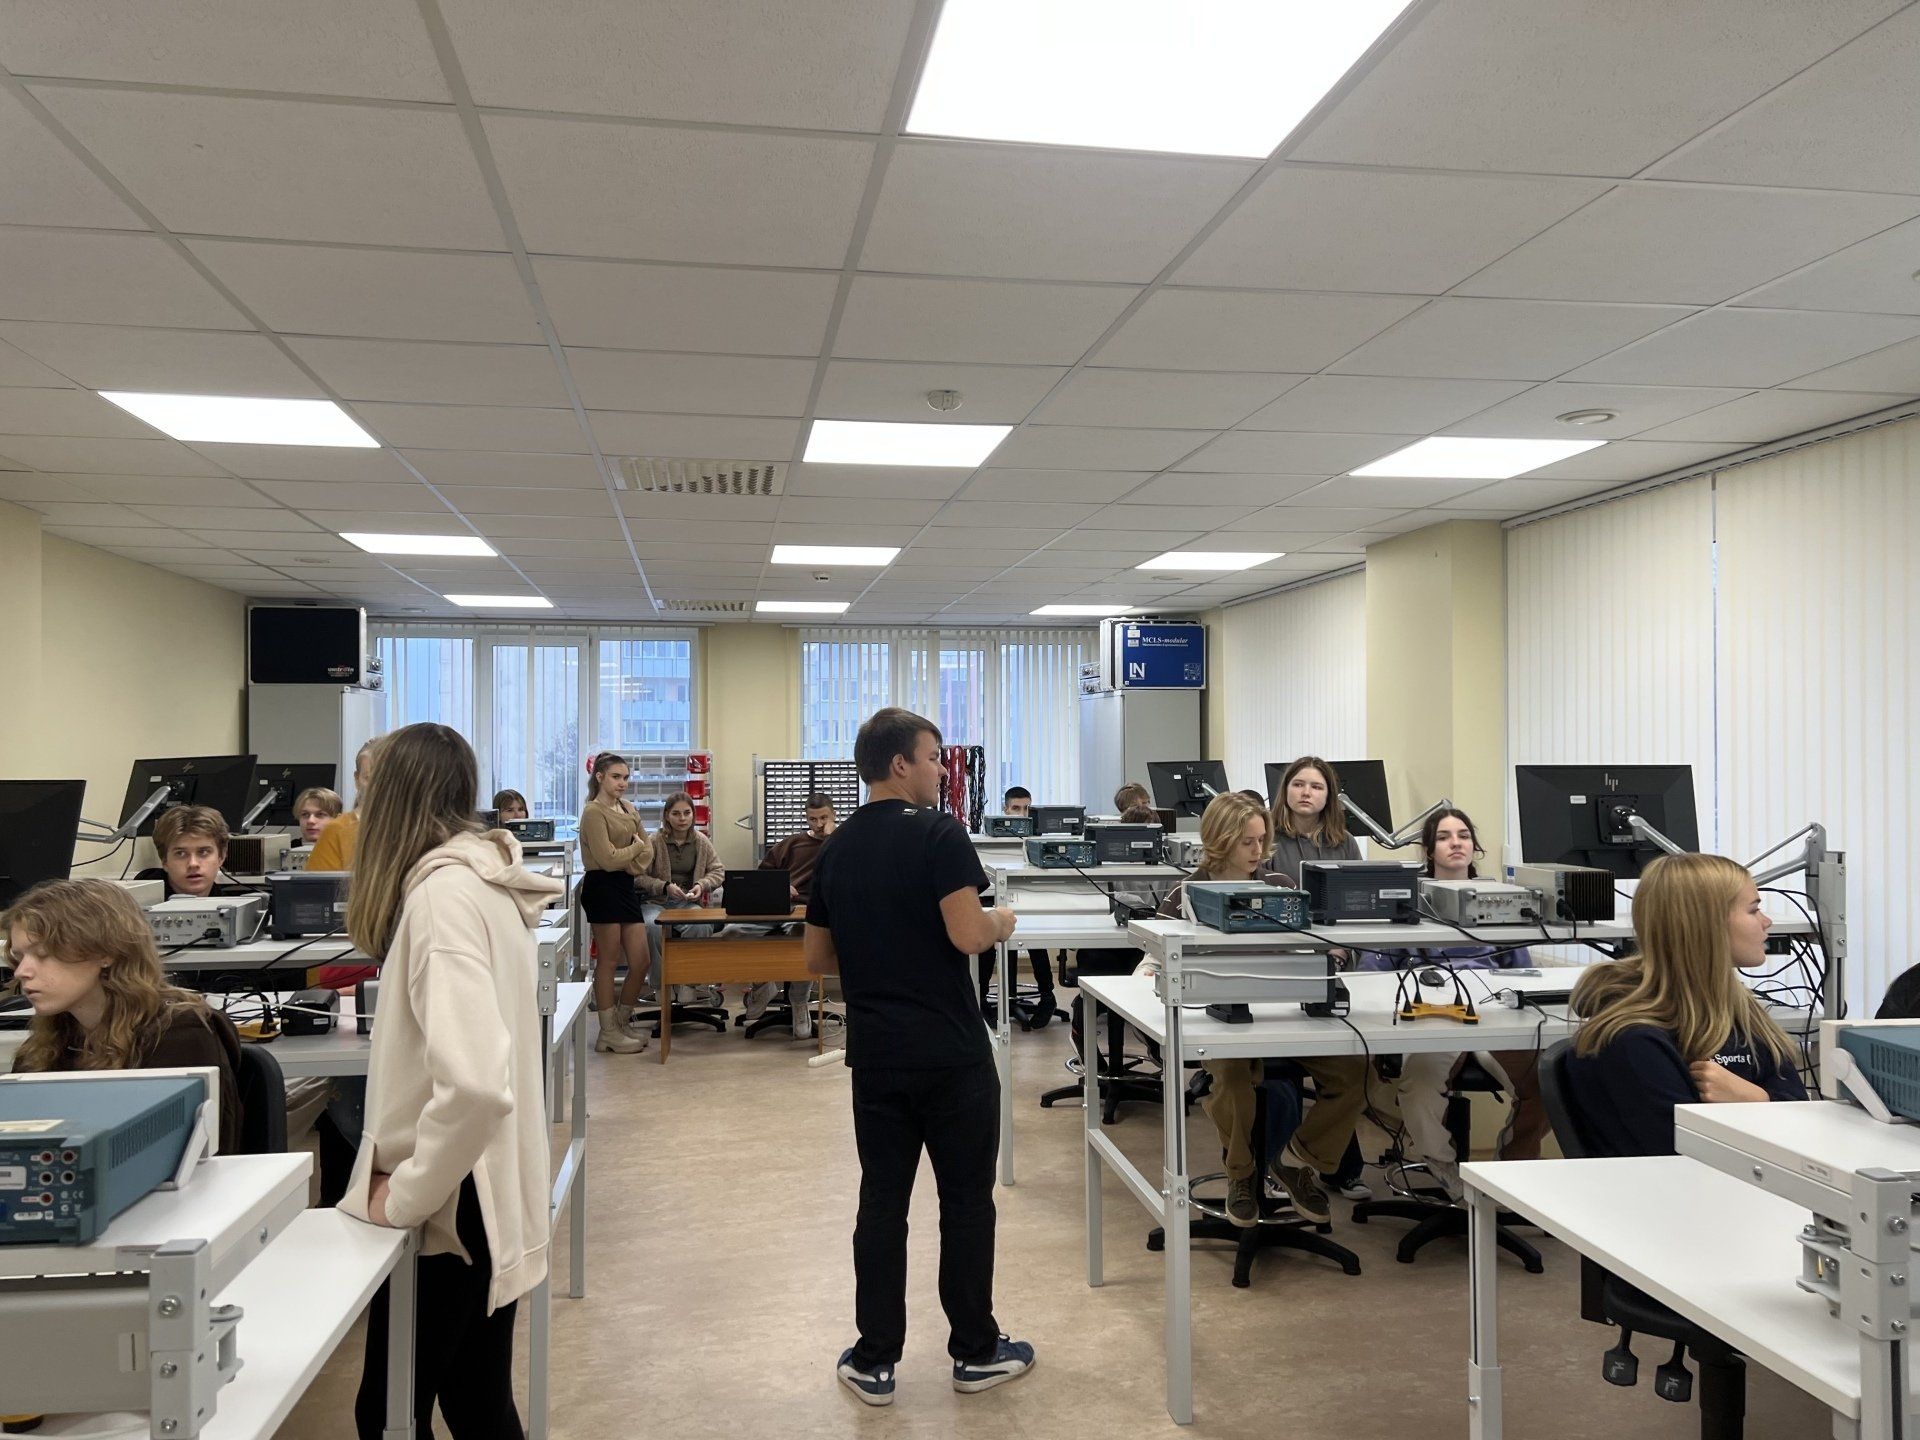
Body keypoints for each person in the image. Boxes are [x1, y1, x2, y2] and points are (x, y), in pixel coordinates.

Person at [336, 722, 559, 1440]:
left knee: (391, 1413)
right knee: (475, 1402)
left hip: (454, 1204)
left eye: (366, 789)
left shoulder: (443, 899)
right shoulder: (480, 884)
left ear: (392, 799)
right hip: (481, 1190)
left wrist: (407, 1195)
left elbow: (474, 1084)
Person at [805, 708, 1033, 1406]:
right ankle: (975, 1353)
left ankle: (874, 1359)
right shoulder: (939, 833)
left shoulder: (837, 847)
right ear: (900, 764)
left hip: (878, 1056)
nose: (941, 769)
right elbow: (968, 935)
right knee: (965, 1203)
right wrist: (1002, 921)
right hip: (951, 1054)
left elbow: (816, 957)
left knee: (882, 1203)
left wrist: (879, 955)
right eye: (934, 757)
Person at [1156, 791, 1368, 1228]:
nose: (1258, 851)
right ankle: (1242, 1174)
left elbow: (1312, 944)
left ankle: (1296, 1161)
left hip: (1284, 1016)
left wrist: (1329, 955)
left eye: (1261, 840)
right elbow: (1153, 960)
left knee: (1356, 1071)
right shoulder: (1184, 895)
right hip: (1219, 1022)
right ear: (1220, 840)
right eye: (1247, 842)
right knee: (1234, 1077)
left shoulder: (1282, 888)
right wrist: (1148, 972)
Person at [1564, 852, 1807, 1157]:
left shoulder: (1741, 1012)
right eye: (1753, 910)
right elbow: (1686, 1154)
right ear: (1705, 925)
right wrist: (1760, 1108)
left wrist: (1753, 1099)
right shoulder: (1633, 1041)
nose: (1766, 922)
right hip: (1686, 1183)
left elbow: (1800, 1113)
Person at [1353, 807, 1542, 1197]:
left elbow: (1523, 972)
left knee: (1549, 1080)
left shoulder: (1503, 902)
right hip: (1432, 1015)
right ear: (1429, 850)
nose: (1456, 843)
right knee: (1419, 1085)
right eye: (1443, 837)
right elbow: (1371, 972)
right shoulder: (1407, 904)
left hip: (1493, 1014)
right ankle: (1445, 1169)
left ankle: (1509, 1172)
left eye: (1463, 835)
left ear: (1474, 847)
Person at [6, 878, 245, 1154]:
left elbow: (184, 1158)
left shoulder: (179, 1035)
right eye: (19, 957)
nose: (22, 972)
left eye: (43, 954)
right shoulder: (47, 1045)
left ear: (105, 952)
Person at [743, 791, 836, 1036]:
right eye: (813, 819)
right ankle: (762, 984)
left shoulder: (842, 843)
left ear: (833, 816)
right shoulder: (792, 843)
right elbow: (762, 874)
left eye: (824, 818)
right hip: (780, 906)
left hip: (812, 910)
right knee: (734, 932)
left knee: (803, 933)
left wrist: (832, 838)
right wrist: (780, 886)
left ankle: (799, 1001)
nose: (818, 824)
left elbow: (850, 870)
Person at [577, 752, 652, 1054]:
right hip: (602, 887)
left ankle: (621, 1022)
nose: (623, 783)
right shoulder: (593, 812)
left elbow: (647, 852)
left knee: (641, 960)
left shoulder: (628, 808)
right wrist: (633, 850)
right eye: (616, 777)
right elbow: (606, 860)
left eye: (626, 778)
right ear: (600, 777)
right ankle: (607, 1032)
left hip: (625, 885)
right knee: (608, 960)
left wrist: (630, 857)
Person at [978, 785, 1059, 1027]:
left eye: (1026, 809)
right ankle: (981, 999)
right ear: (1005, 810)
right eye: (1016, 808)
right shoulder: (988, 839)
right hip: (994, 900)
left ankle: (1048, 997)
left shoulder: (1037, 840)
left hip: (1027, 899)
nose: (1022, 814)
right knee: (987, 938)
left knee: (1036, 936)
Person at [639, 790, 726, 1015]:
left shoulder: (701, 841)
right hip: (655, 902)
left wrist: (702, 885)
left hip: (686, 902)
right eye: (676, 814)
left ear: (693, 815)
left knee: (701, 924)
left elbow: (718, 871)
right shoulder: (654, 841)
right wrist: (664, 886)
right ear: (667, 815)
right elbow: (638, 876)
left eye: (687, 813)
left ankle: (689, 982)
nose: (682, 818)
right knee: (652, 927)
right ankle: (661, 984)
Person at [1269, 755, 1361, 877]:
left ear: (1328, 795)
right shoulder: (1266, 839)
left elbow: (1358, 886)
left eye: (1316, 787)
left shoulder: (1346, 842)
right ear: (1285, 790)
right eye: (1298, 785)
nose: (1306, 793)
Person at [135, 804, 242, 899]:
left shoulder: (233, 906)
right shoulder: (136, 904)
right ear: (164, 861)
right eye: (181, 853)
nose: (193, 864)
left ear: (221, 857)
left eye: (203, 852)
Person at [308, 738, 379, 873]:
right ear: (357, 780)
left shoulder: (413, 830)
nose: (377, 786)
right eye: (369, 778)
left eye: (385, 778)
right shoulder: (337, 831)